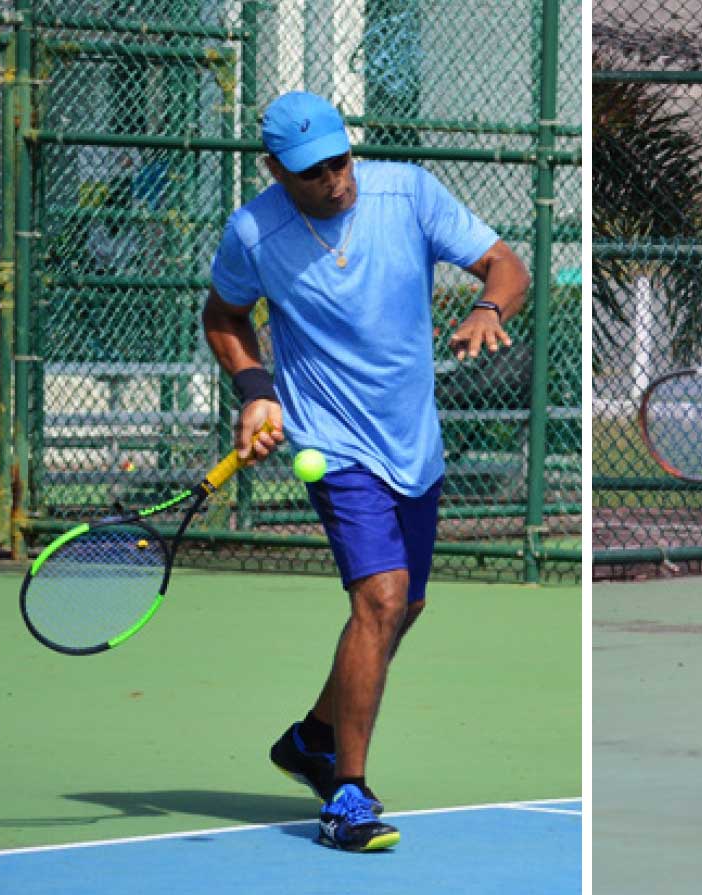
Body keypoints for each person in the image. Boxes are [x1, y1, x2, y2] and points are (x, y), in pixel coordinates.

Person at [201, 91, 530, 851]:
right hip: (331, 442)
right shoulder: (254, 231)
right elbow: (225, 315)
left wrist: (490, 307)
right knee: (379, 598)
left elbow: (502, 262)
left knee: (403, 606)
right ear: (276, 169)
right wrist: (256, 392)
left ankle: (312, 737)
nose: (336, 179)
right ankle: (346, 794)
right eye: (315, 171)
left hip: (413, 440)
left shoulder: (406, 190)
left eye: (342, 161)